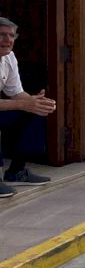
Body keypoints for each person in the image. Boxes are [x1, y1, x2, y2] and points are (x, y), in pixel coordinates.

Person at [0, 17, 54, 197]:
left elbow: (16, 92)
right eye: (2, 35)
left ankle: (17, 171)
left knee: (34, 111)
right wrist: (25, 103)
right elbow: (18, 101)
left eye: (11, 35)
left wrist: (36, 103)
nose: (7, 40)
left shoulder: (9, 57)